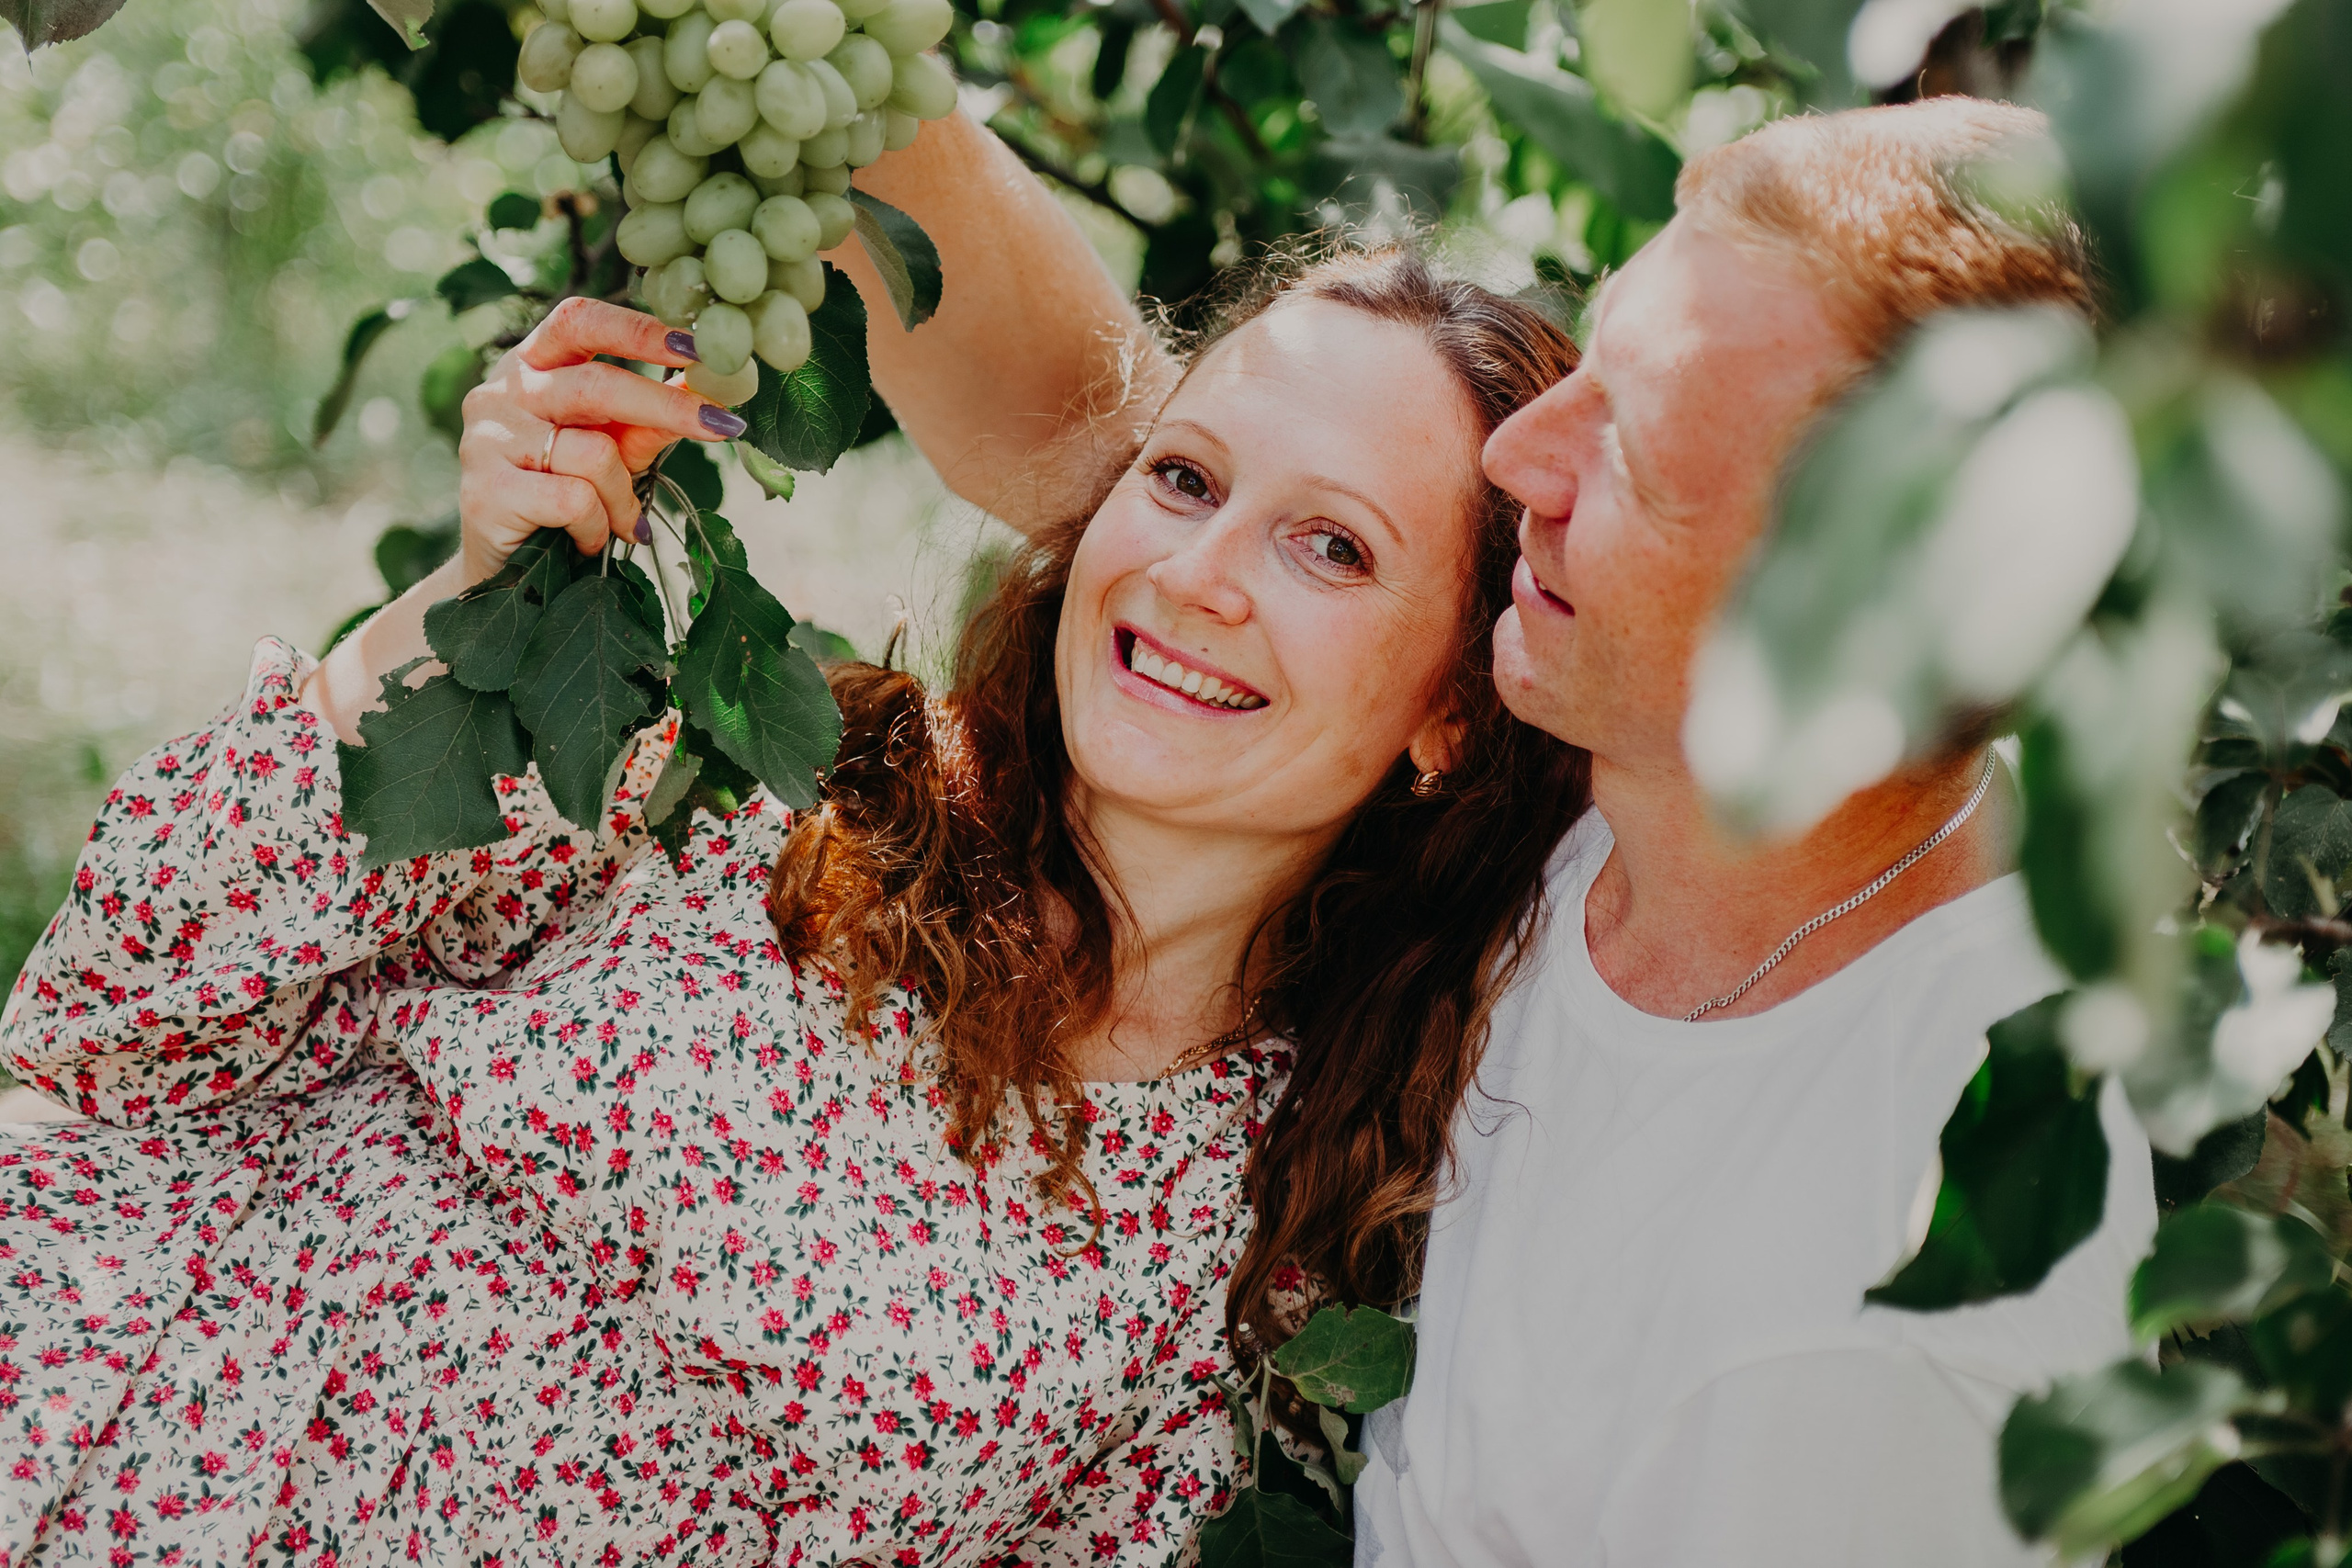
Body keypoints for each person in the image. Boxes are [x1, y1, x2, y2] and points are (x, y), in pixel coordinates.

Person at [0, 116, 1584, 1568]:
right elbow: (116, 1025)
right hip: (92, 1428)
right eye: (1182, 477)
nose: (1199, 575)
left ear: (1453, 707)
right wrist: (466, 617)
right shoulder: (771, 771)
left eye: (1332, 545)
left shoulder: (1260, 1234)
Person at [1350, 98, 2160, 1566]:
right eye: (1590, 360)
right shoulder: (1627, 753)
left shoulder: (1882, 1335)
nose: (1518, 456)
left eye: (1640, 458)